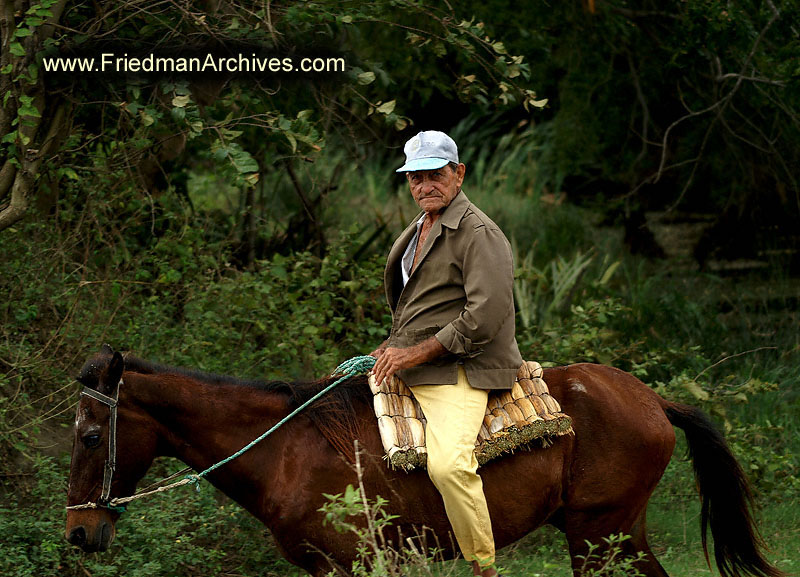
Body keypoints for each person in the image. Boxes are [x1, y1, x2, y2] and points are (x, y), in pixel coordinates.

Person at [370, 130, 523, 577]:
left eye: (435, 175)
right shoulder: (420, 226)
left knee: (450, 465)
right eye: (415, 178)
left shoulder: (479, 232)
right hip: (420, 358)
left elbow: (485, 315)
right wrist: (394, 343)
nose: (424, 186)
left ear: (458, 174)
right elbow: (421, 304)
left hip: (464, 366)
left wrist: (415, 353)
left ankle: (484, 566)